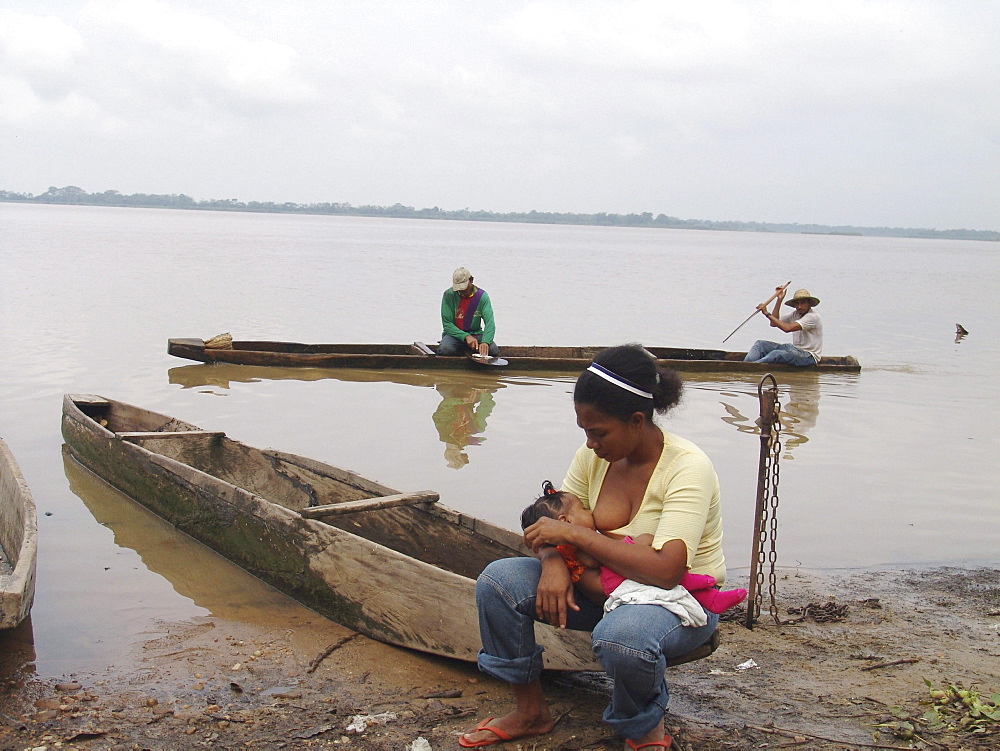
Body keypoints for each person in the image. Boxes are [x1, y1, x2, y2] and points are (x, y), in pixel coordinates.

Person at [460, 344, 728, 750]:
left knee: (623, 637)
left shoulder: (687, 467)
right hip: (599, 588)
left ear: (637, 421)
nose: (589, 444)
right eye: (584, 431)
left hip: (675, 603)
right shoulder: (594, 459)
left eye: (598, 432)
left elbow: (665, 570)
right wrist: (552, 562)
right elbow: (554, 518)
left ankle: (642, 729)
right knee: (498, 582)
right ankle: (530, 712)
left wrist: (577, 538)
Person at [520, 485, 745, 615]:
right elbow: (594, 561)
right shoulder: (574, 546)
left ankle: (707, 592)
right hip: (611, 583)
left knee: (652, 555)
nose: (590, 512)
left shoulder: (570, 542)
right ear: (564, 521)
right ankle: (705, 587)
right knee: (649, 548)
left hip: (608, 584)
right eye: (583, 508)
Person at [743, 287, 822, 366]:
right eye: (797, 303)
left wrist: (767, 313)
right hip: (794, 349)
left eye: (803, 303)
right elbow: (774, 323)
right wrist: (779, 299)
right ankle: (744, 365)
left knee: (777, 354)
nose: (799, 306)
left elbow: (788, 328)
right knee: (760, 344)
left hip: (809, 356)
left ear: (809, 303)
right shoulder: (795, 314)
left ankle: (750, 367)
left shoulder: (812, 317)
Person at [438, 267, 499, 358]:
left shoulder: (482, 296)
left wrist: (485, 341)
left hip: (476, 334)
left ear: (471, 280)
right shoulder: (448, 295)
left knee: (493, 350)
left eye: (464, 289)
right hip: (454, 335)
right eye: (459, 290)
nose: (462, 292)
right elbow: (447, 324)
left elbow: (490, 323)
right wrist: (465, 336)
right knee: (445, 349)